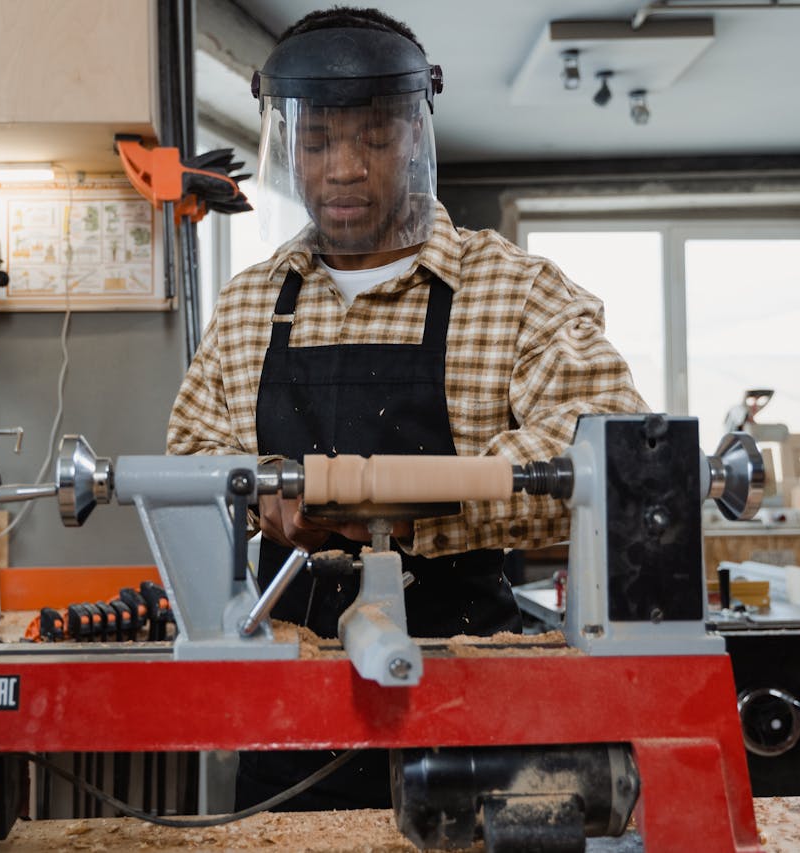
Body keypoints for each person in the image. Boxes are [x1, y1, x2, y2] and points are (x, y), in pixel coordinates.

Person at [166, 6, 646, 810]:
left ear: (417, 137)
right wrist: (266, 504)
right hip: (290, 700)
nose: (344, 169)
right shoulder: (252, 302)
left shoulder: (514, 290)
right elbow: (190, 457)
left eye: (374, 140)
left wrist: (402, 509)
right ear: (286, 146)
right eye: (316, 142)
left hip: (469, 693)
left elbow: (607, 454)